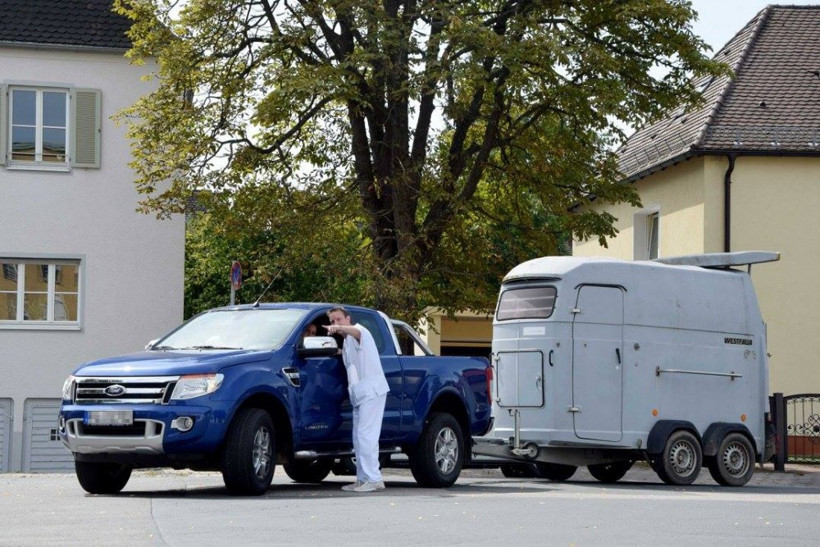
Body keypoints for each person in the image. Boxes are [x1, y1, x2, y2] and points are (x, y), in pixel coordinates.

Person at [325, 307, 389, 493]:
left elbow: (355, 332)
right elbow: (349, 355)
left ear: (348, 318)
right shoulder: (347, 342)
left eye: (339, 319)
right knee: (358, 438)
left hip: (371, 392)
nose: (336, 323)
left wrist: (339, 329)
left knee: (366, 436)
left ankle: (374, 479)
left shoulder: (360, 331)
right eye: (332, 321)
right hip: (359, 396)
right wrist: (334, 349)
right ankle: (362, 479)